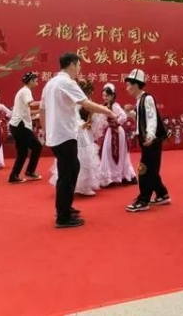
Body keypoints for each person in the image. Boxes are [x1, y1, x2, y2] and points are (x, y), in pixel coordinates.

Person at [40, 53, 116, 229]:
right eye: (79, 65)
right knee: (67, 174)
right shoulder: (67, 82)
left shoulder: (50, 83)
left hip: (56, 135)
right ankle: (63, 216)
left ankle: (66, 207)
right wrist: (108, 112)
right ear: (72, 65)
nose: (80, 69)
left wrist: (45, 131)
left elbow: (43, 109)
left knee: (72, 168)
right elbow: (86, 104)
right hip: (65, 135)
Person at [123, 69, 170, 212]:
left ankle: (144, 200)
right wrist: (129, 113)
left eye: (128, 85)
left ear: (136, 85)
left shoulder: (147, 98)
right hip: (148, 140)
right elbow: (140, 119)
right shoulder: (140, 100)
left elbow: (151, 118)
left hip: (151, 141)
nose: (127, 88)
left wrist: (150, 136)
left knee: (144, 170)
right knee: (151, 170)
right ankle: (162, 194)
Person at [49, 79, 102, 197]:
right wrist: (81, 124)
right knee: (77, 158)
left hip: (82, 131)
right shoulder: (75, 101)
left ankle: (82, 186)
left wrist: (88, 123)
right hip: (76, 131)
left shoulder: (83, 100)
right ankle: (76, 186)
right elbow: (73, 116)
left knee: (83, 159)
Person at [98, 83, 138, 187]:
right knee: (107, 153)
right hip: (110, 132)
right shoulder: (105, 106)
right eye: (103, 95)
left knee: (119, 154)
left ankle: (121, 176)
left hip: (116, 132)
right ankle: (110, 178)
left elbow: (123, 116)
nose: (105, 98)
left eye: (107, 95)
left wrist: (115, 123)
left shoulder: (115, 106)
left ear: (112, 96)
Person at [8, 72, 42, 184]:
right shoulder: (26, 91)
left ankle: (14, 176)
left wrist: (41, 111)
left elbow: (28, 110)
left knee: (22, 152)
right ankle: (30, 171)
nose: (37, 81)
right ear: (30, 81)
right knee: (37, 146)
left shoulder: (23, 91)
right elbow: (31, 104)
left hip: (16, 126)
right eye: (35, 80)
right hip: (20, 125)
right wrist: (44, 102)